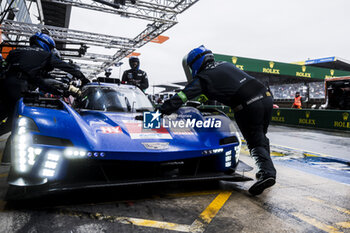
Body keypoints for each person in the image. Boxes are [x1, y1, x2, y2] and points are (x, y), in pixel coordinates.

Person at [160, 45, 276, 196]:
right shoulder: (225, 64)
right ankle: (264, 171)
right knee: (260, 135)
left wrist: (161, 111)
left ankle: (268, 174)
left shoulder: (204, 76)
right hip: (266, 97)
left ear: (195, 63)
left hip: (247, 104)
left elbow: (182, 96)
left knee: (255, 141)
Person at [0, 32, 89, 135]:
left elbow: (39, 81)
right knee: (12, 122)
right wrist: (83, 78)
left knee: (2, 112)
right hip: (19, 89)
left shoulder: (16, 52)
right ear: (46, 44)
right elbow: (66, 67)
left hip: (3, 85)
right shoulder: (46, 55)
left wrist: (57, 90)